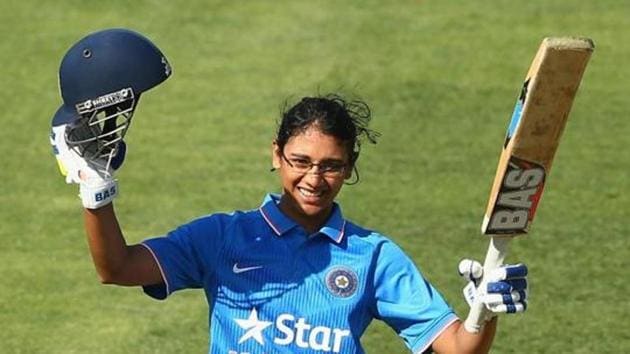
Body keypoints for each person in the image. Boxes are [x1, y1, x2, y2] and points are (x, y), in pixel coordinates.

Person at [51, 29, 528, 354]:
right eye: (300, 162)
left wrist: (483, 309)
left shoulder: (374, 257)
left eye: (331, 166)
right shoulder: (221, 237)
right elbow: (116, 268)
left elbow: (459, 349)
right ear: (276, 154)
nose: (313, 179)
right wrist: (96, 192)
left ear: (350, 168)